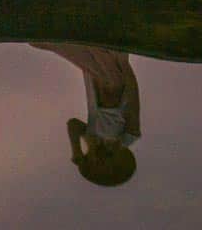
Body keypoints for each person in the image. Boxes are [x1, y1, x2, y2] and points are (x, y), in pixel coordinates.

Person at [31, 42, 142, 187]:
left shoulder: (92, 137)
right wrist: (125, 66)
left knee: (43, 43)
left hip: (98, 78)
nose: (98, 161)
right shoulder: (126, 138)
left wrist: (77, 152)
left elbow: (73, 125)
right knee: (97, 47)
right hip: (114, 80)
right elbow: (133, 100)